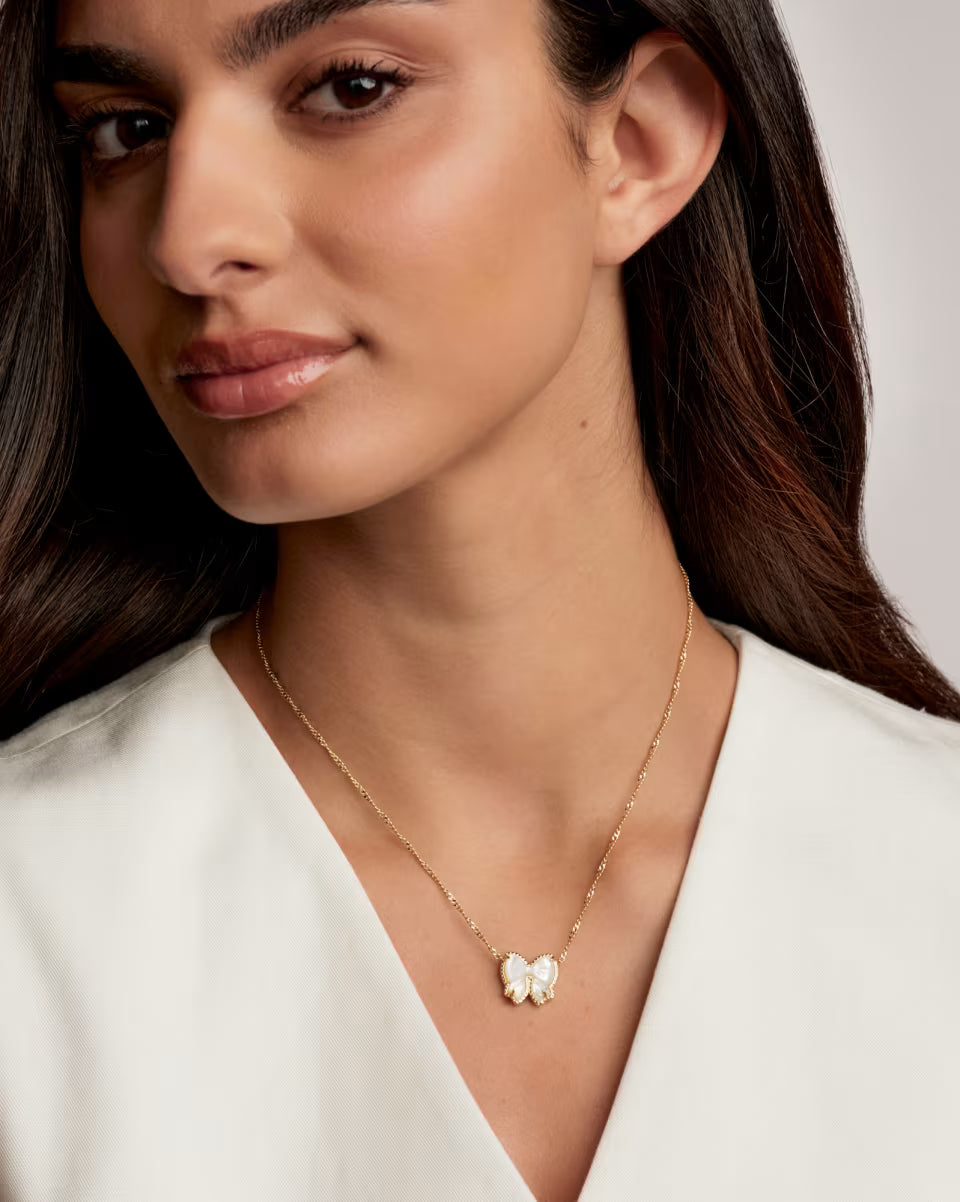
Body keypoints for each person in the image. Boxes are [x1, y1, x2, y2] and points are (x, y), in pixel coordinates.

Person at [0, 0, 958, 1199]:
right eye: (126, 127)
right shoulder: (30, 923)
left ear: (639, 144)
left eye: (348, 89)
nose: (189, 239)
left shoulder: (934, 871)